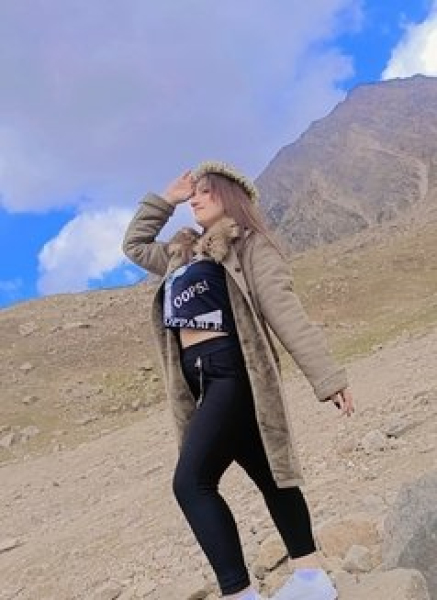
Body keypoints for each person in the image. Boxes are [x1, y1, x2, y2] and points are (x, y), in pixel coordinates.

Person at [122, 161, 354, 600]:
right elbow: (134, 245)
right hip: (200, 382)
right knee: (271, 477)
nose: (195, 198)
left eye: (205, 191)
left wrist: (327, 378)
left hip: (233, 371)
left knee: (191, 483)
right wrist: (166, 200)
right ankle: (311, 581)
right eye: (193, 193)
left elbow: (285, 311)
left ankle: (240, 593)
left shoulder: (248, 246)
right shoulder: (182, 254)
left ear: (230, 195)